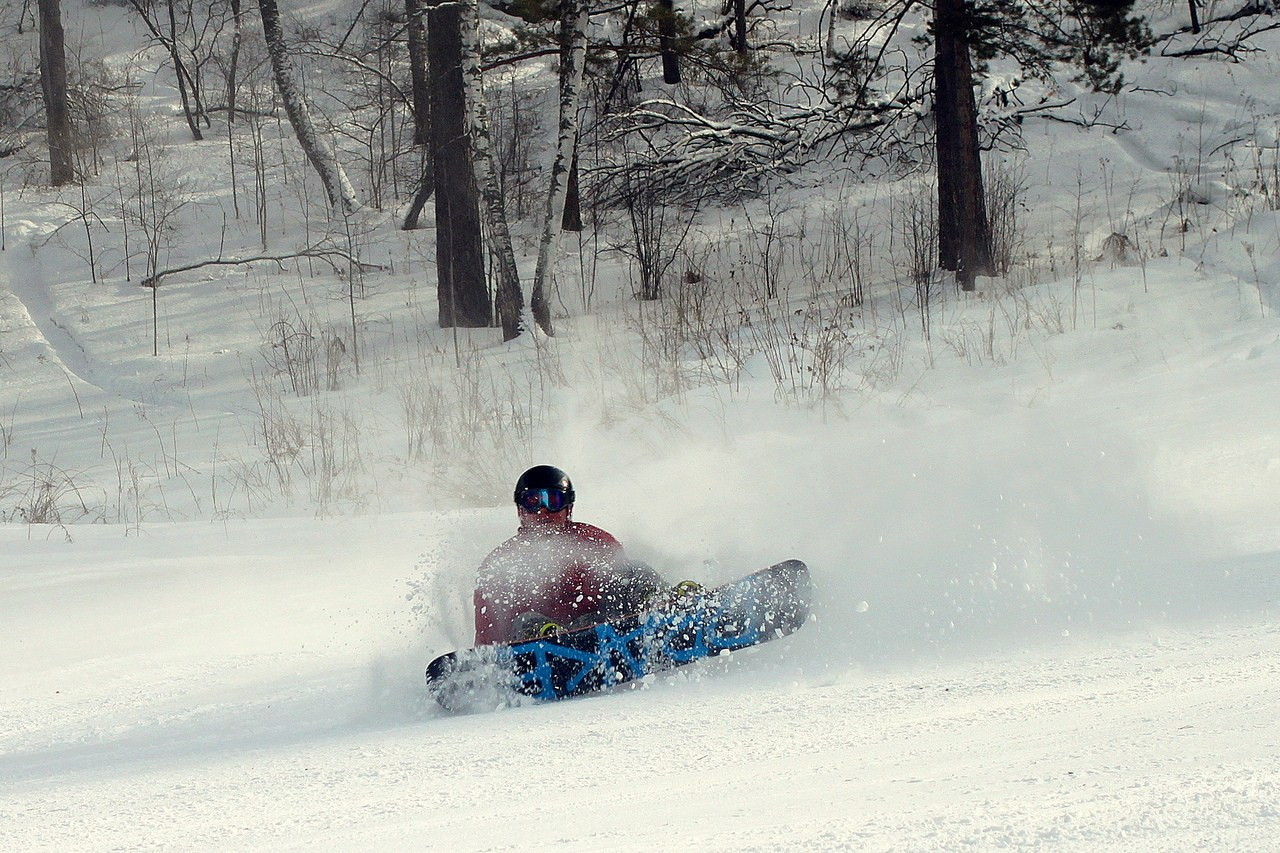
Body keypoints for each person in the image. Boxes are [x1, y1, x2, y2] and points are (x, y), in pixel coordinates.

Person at [474, 465, 686, 645]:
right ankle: (547, 639)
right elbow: (489, 639)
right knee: (526, 621)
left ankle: (667, 605)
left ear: (569, 508)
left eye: (553, 500)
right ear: (520, 511)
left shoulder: (594, 541)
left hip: (603, 627)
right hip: (542, 645)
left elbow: (625, 583)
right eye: (533, 502)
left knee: (634, 570)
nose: (543, 511)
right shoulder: (500, 566)